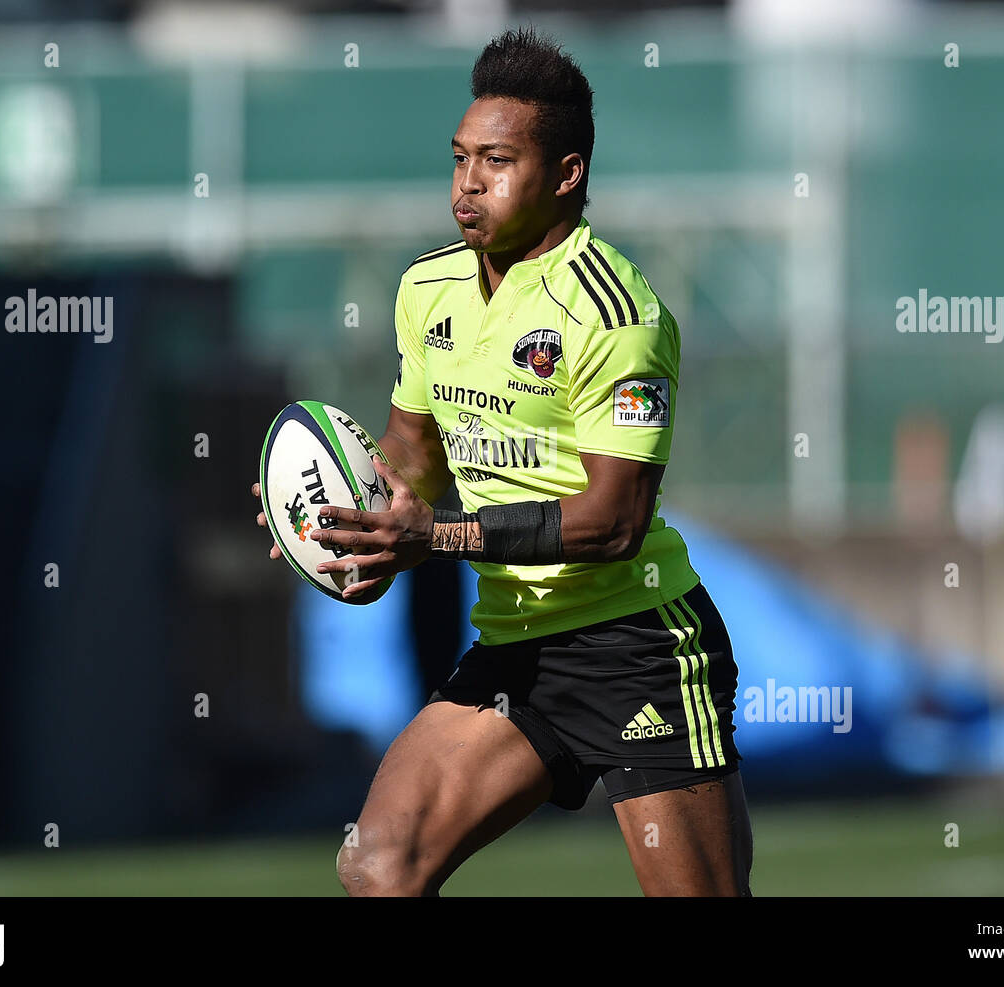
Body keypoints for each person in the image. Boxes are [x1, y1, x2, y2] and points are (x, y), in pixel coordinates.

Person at [253, 26, 751, 896]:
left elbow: (614, 522)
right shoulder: (427, 287)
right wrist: (353, 520)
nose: (468, 183)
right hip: (516, 644)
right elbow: (413, 449)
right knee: (381, 865)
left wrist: (430, 538)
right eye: (458, 160)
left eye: (496, 160)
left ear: (566, 175)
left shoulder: (618, 314)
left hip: (636, 648)